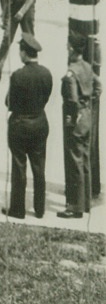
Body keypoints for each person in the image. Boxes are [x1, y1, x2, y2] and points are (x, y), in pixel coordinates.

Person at [3, 35, 52, 220]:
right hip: (39, 122)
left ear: (24, 52)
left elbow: (9, 102)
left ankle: (18, 209)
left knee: (19, 166)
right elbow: (46, 97)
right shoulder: (46, 73)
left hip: (20, 125)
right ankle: (40, 209)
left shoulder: (18, 75)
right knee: (39, 167)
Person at [58, 33, 99, 219]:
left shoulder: (71, 72)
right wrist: (89, 102)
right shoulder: (88, 67)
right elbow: (98, 86)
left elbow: (72, 101)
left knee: (75, 161)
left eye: (68, 46)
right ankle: (86, 203)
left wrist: (71, 118)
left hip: (75, 120)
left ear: (73, 49)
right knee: (85, 159)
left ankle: (75, 206)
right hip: (87, 116)